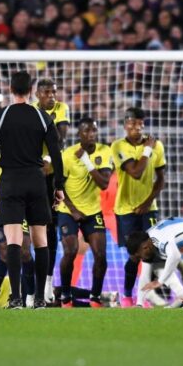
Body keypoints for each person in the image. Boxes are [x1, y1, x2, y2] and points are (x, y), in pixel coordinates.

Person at [0, 71, 65, 309]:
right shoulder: (42, 117)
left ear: (11, 89)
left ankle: (16, 298)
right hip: (36, 182)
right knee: (40, 241)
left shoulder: (0, 116)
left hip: (9, 182)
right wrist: (58, 186)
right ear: (31, 90)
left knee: (14, 241)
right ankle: (39, 298)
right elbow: (56, 153)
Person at [111, 107, 166, 307]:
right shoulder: (117, 146)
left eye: (140, 123)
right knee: (135, 255)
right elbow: (135, 172)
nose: (137, 127)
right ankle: (126, 296)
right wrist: (148, 149)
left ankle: (145, 297)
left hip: (149, 208)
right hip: (125, 210)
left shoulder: (157, 146)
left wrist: (147, 202)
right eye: (132, 123)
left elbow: (161, 179)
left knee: (151, 253)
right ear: (125, 125)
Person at [58, 117, 114, 308]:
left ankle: (95, 298)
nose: (91, 135)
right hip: (68, 210)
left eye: (93, 131)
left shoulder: (104, 151)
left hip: (92, 211)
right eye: (86, 131)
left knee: (101, 255)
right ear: (79, 134)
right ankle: (65, 296)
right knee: (71, 250)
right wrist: (73, 210)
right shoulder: (67, 155)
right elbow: (57, 186)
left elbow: (104, 184)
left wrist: (86, 161)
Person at [31, 78, 71, 302]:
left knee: (50, 227)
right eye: (47, 93)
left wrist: (48, 158)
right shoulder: (30, 110)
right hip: (33, 173)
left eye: (54, 92)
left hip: (53, 173)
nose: (51, 96)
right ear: (37, 93)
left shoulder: (62, 108)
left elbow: (60, 139)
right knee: (35, 228)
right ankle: (30, 287)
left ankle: (47, 282)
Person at [0, 154, 36, 308]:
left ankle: (31, 296)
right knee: (6, 251)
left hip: (20, 209)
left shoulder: (28, 150)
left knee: (25, 252)